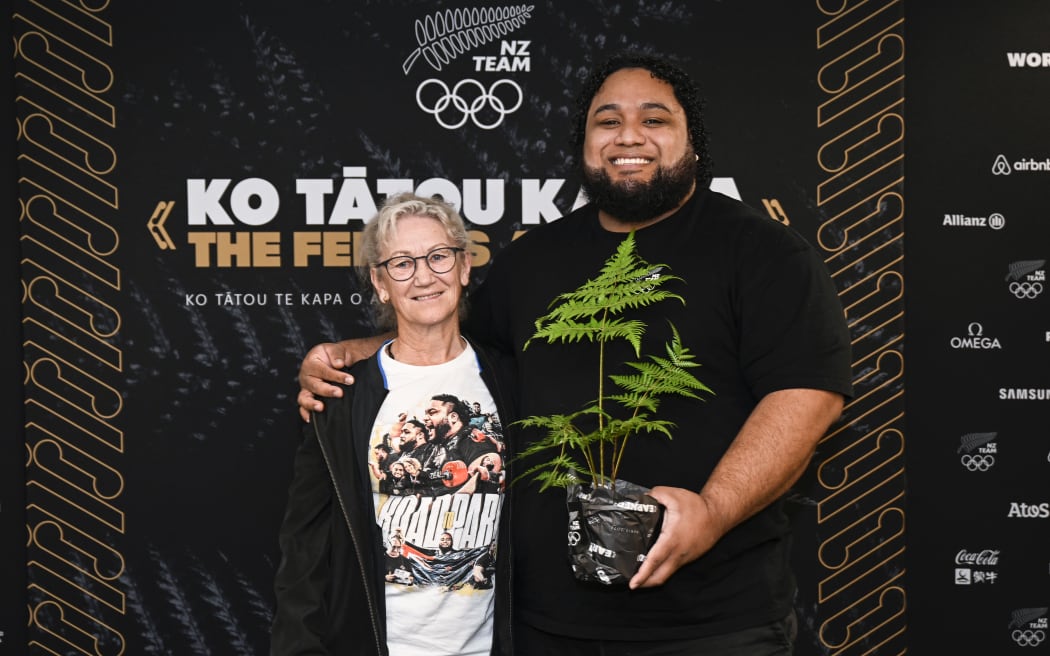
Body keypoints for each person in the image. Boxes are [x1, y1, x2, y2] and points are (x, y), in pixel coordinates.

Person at [296, 52, 853, 655]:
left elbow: (807, 396)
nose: (628, 136)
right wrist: (353, 352)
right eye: (607, 121)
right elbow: (451, 341)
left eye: (655, 119)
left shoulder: (763, 252)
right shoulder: (532, 260)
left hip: (714, 625)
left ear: (692, 139)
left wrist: (712, 511)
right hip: (547, 626)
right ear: (584, 143)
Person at [270, 192, 516, 656]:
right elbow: (305, 552)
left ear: (464, 267)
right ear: (381, 283)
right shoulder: (340, 400)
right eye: (402, 263)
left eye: (438, 257)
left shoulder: (511, 383)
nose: (424, 275)